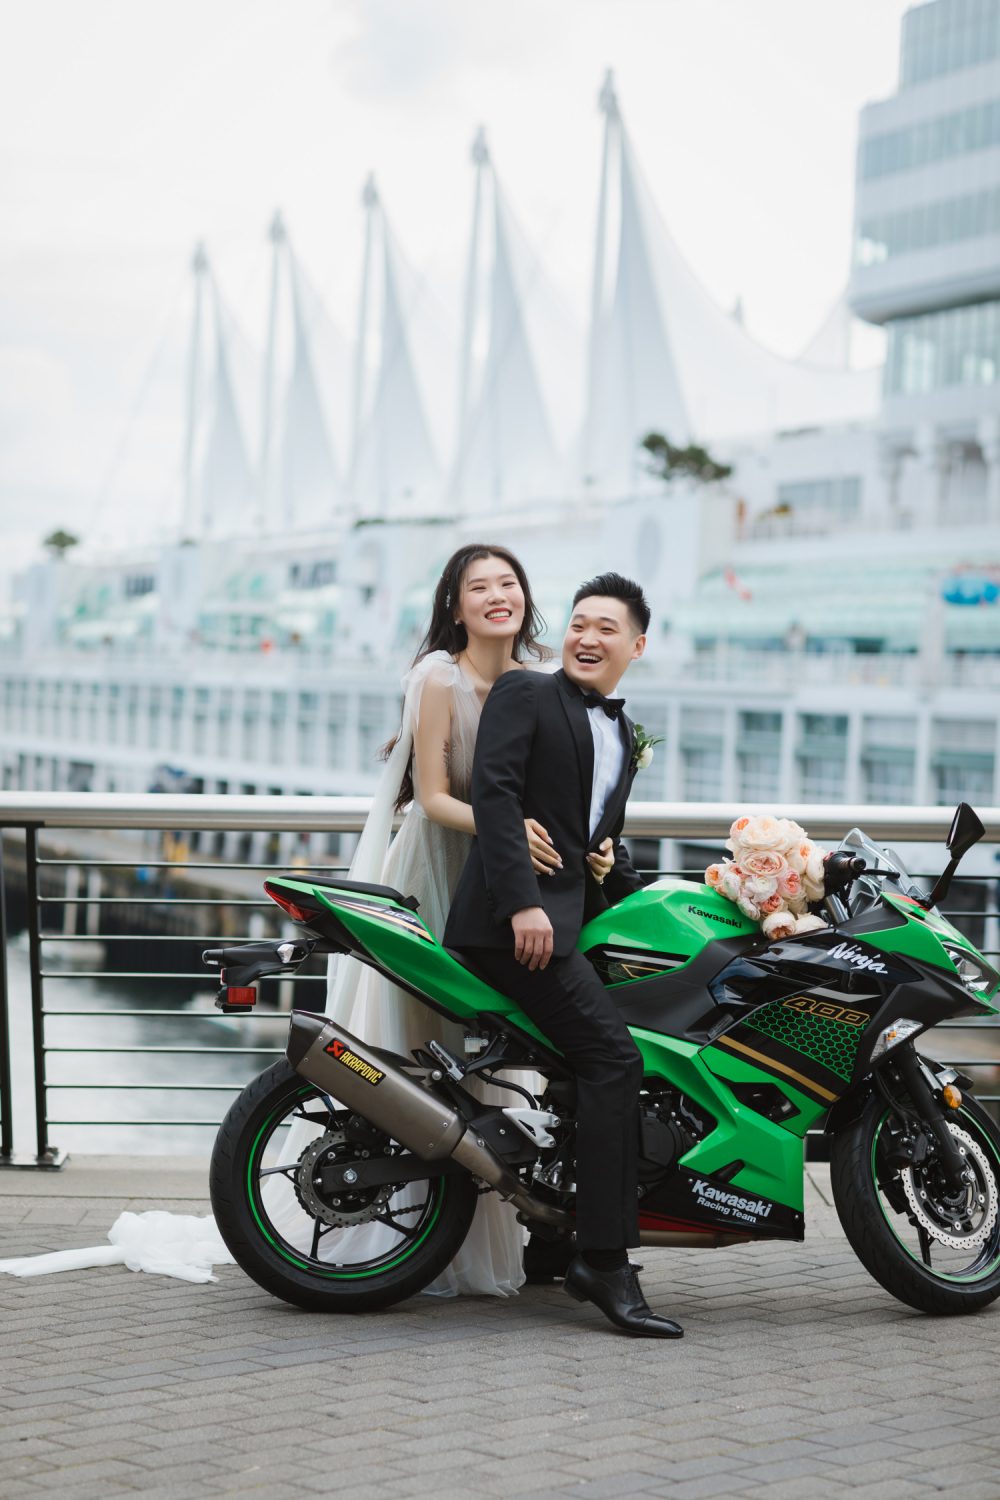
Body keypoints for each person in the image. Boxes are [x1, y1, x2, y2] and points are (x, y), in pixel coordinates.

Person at [317, 543, 617, 1297]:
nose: (495, 595)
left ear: (525, 595)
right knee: (425, 1039)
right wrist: (506, 829)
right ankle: (403, 1218)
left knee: (504, 1047)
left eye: (507, 582)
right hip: (442, 864)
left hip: (511, 870)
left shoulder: (544, 675)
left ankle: (511, 1216)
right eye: (477, 586)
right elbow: (430, 792)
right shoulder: (439, 677)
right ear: (455, 606)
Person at [444, 571, 684, 1337]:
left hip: (565, 920)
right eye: (579, 622)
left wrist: (607, 866)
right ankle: (604, 1262)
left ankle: (552, 1241)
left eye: (606, 628)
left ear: (636, 646)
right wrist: (521, 903)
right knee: (614, 1062)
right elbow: (494, 793)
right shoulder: (525, 692)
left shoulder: (621, 729)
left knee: (587, 1066)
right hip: (509, 926)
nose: (586, 637)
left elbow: (582, 833)